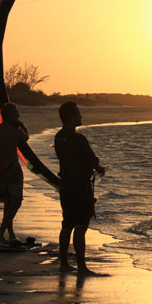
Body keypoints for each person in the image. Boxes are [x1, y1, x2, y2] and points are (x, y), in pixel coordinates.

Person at [54, 102, 105, 274]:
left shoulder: (58, 137)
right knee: (80, 226)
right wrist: (98, 168)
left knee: (67, 224)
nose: (80, 116)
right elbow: (92, 160)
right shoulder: (78, 139)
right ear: (70, 117)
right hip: (80, 187)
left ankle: (63, 264)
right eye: (77, 113)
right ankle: (82, 267)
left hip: (66, 186)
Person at [0, 103, 28, 244]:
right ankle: (0, 233)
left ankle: (11, 234)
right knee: (16, 201)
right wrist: (21, 124)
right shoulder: (16, 132)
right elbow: (26, 137)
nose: (18, 116)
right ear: (9, 115)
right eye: (15, 114)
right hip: (12, 168)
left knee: (8, 201)